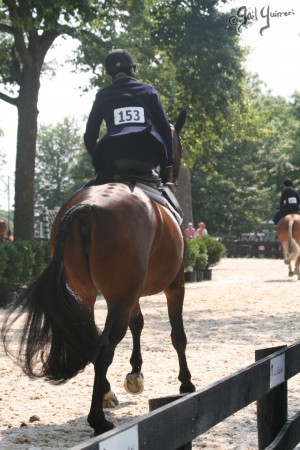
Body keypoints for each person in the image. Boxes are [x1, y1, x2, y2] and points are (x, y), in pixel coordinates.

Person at [83, 49, 173, 185]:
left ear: (109, 75)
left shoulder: (102, 96)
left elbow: (89, 136)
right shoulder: (149, 91)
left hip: (115, 160)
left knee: (83, 195)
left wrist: (100, 161)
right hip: (148, 159)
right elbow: (165, 129)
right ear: (134, 69)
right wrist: (168, 165)